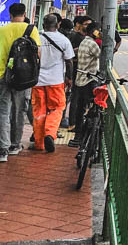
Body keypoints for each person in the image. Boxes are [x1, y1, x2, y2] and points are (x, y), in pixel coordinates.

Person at [0, 2, 40, 162]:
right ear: (24, 14)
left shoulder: (1, 30)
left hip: (2, 75)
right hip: (23, 77)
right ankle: (15, 145)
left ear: (10, 15)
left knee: (2, 112)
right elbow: (37, 53)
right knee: (19, 111)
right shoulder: (32, 30)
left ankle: (2, 151)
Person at [32, 14, 74, 152]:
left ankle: (39, 144)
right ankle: (50, 133)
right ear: (58, 25)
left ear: (43, 25)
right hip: (56, 81)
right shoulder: (64, 40)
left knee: (39, 111)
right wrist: (69, 78)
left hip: (37, 81)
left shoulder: (36, 38)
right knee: (57, 108)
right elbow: (69, 61)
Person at [70, 24, 102, 146]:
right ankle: (88, 131)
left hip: (80, 78)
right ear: (93, 32)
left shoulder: (84, 41)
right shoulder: (92, 44)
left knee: (80, 107)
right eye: (98, 31)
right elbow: (101, 56)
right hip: (89, 80)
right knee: (92, 107)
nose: (99, 33)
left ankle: (78, 134)